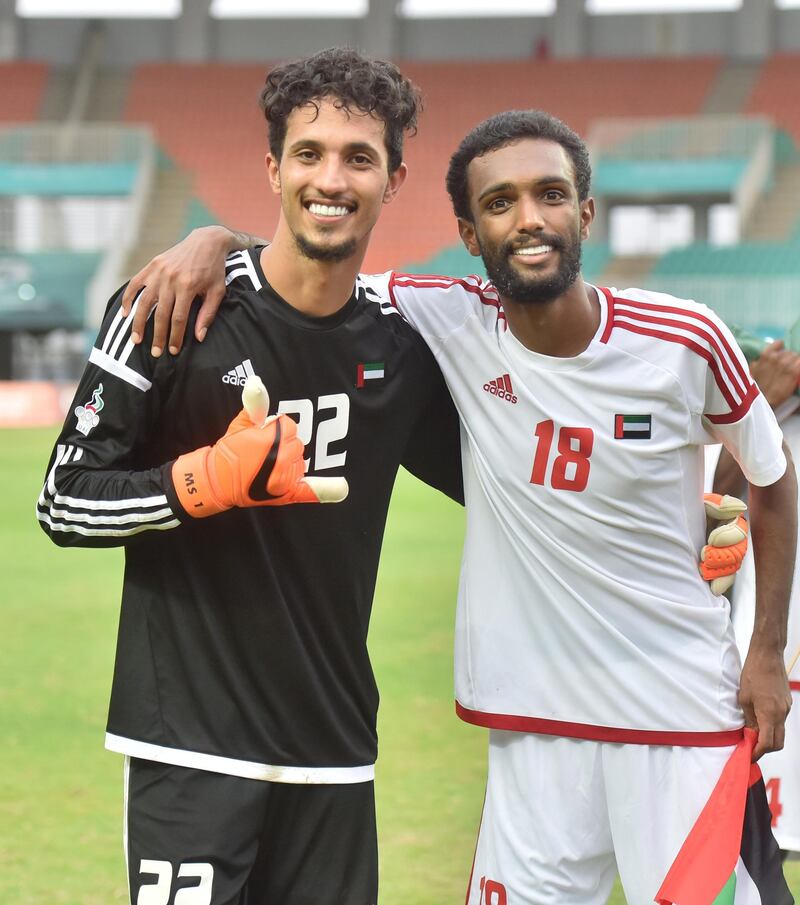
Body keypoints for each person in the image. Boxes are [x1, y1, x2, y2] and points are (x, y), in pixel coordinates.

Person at [127, 106, 796, 904]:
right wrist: (213, 239)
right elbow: (310, 260)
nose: (530, 219)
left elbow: (773, 477)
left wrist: (765, 654)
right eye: (500, 202)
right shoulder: (442, 315)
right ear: (471, 235)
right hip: (533, 732)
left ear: (585, 212)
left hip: (683, 717)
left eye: (550, 194)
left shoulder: (685, 337)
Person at [37, 48, 465, 905]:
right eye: (308, 154)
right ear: (273, 168)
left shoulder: (404, 349)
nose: (330, 178)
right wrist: (197, 483)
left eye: (358, 156)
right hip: (190, 750)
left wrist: (672, 526)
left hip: (335, 755)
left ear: (394, 178)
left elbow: (510, 491)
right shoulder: (167, 310)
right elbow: (64, 499)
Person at [713, 339, 800, 858]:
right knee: (757, 857)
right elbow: (710, 507)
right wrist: (759, 401)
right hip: (770, 666)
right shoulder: (763, 405)